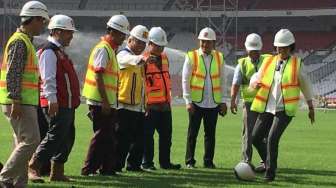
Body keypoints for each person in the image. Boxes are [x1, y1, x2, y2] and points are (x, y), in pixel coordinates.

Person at [250, 29, 315, 182]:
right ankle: (269, 162)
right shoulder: (268, 61)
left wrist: (311, 107)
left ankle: (270, 173)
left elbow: (306, 85)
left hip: (284, 110)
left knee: (272, 139)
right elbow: (256, 76)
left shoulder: (297, 64)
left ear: (291, 47)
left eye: (284, 47)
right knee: (255, 138)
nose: (281, 50)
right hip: (267, 107)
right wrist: (254, 83)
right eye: (278, 47)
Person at [0, 1, 49, 187]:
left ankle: (19, 183)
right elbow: (14, 72)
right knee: (32, 141)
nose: (43, 25)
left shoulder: (24, 40)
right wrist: (16, 100)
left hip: (21, 101)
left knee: (22, 142)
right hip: (19, 102)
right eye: (42, 21)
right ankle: (4, 178)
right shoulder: (20, 42)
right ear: (34, 19)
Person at [28, 14, 79, 183]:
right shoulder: (48, 51)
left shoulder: (58, 51)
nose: (71, 36)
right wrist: (52, 99)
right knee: (55, 135)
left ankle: (57, 171)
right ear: (56, 32)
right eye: (68, 32)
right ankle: (33, 166)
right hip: (57, 102)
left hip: (67, 102)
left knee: (67, 136)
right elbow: (47, 78)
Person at [81, 15, 129, 176]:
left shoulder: (110, 49)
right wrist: (105, 102)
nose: (124, 38)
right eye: (122, 34)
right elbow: (98, 75)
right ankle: (88, 169)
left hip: (107, 101)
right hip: (101, 101)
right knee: (101, 136)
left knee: (108, 137)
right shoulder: (104, 49)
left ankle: (107, 169)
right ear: (113, 32)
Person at [182, 27, 227, 169]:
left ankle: (208, 161)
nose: (205, 45)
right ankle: (190, 161)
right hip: (196, 103)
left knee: (210, 135)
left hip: (213, 103)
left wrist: (223, 101)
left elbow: (223, 80)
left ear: (214, 43)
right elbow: (185, 79)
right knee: (192, 134)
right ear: (199, 41)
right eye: (203, 42)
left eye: (208, 42)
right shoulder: (191, 56)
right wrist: (188, 101)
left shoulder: (219, 57)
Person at [141, 27, 181, 171]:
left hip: (165, 105)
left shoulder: (164, 58)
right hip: (150, 106)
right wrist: (144, 104)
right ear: (149, 43)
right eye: (157, 45)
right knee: (148, 137)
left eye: (162, 46)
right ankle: (147, 163)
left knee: (166, 137)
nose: (160, 48)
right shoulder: (142, 59)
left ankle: (165, 162)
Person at [230, 33, 269, 166]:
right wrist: (233, 101)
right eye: (252, 51)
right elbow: (235, 85)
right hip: (249, 104)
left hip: (266, 103)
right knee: (248, 133)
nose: (254, 53)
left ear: (260, 49)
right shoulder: (242, 64)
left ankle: (266, 161)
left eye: (256, 51)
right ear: (247, 50)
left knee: (266, 133)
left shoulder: (268, 61)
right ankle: (246, 160)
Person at [115, 25, 148, 172]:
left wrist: (144, 103)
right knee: (122, 139)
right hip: (124, 105)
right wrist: (143, 58)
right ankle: (116, 165)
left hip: (137, 105)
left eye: (143, 43)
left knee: (140, 138)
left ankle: (134, 165)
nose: (141, 45)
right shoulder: (122, 54)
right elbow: (131, 60)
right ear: (129, 40)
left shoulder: (138, 59)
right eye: (139, 42)